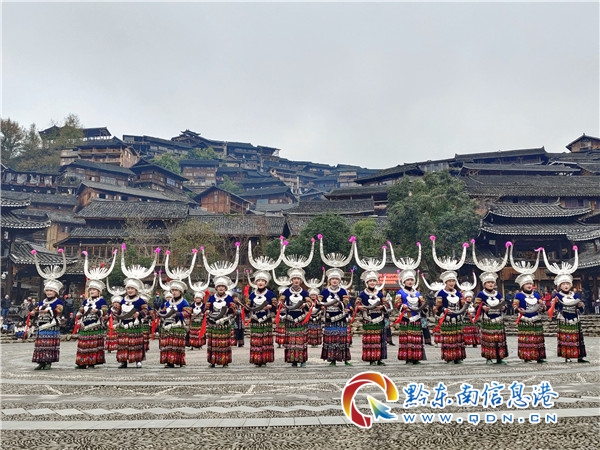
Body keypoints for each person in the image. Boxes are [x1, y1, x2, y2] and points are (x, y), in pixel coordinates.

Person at [30, 248, 67, 370]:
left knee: (49, 344)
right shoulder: (42, 301)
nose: (49, 292)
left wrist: (49, 311)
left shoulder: (58, 302)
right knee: (40, 345)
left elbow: (59, 311)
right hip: (41, 326)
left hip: (51, 326)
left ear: (55, 292)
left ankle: (48, 362)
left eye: (51, 291)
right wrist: (33, 312)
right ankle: (40, 361)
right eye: (47, 291)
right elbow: (35, 310)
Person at [319, 268, 352, 366]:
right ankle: (332, 359)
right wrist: (321, 305)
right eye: (332, 279)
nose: (334, 281)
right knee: (331, 339)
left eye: (336, 279)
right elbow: (318, 303)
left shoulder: (343, 291)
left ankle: (345, 359)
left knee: (341, 339)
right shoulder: (324, 292)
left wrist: (338, 304)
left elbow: (345, 303)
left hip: (341, 318)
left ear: (339, 280)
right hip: (329, 319)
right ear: (329, 280)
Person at [475, 272, 508, 365]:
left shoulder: (498, 294)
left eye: (492, 282)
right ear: (484, 284)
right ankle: (488, 358)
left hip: (498, 320)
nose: (491, 284)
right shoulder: (481, 294)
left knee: (499, 340)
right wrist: (482, 308)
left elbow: (504, 305)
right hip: (488, 320)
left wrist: (503, 308)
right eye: (488, 282)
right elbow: (476, 306)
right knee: (488, 340)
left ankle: (500, 358)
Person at [435, 271, 468, 364]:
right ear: (445, 282)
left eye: (453, 281)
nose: (451, 283)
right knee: (449, 339)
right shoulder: (441, 293)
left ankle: (458, 357)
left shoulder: (458, 293)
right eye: (449, 281)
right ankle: (449, 357)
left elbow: (462, 306)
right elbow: (437, 307)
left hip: (457, 319)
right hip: (447, 320)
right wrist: (444, 309)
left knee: (458, 338)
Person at [280, 268, 311, 368]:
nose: (296, 280)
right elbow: (280, 304)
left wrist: (305, 305)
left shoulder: (304, 293)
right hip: (290, 319)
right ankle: (293, 360)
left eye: (298, 278)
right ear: (291, 280)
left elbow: (310, 304)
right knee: (291, 340)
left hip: (301, 318)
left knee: (301, 340)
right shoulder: (286, 292)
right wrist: (282, 306)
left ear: (301, 280)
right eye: (294, 279)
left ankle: (302, 360)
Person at [513, 273, 547, 364]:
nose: (529, 285)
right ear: (522, 286)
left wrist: (543, 307)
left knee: (537, 339)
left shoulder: (536, 295)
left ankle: (539, 356)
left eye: (530, 284)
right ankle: (527, 356)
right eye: (527, 284)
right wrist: (518, 309)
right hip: (524, 319)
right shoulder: (519, 295)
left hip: (536, 319)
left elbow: (542, 306)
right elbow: (515, 306)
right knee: (526, 339)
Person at [74, 280, 108, 369]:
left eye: (94, 290)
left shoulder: (102, 301)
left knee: (93, 344)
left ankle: (91, 362)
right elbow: (81, 310)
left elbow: (105, 312)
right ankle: (82, 362)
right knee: (84, 344)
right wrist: (78, 314)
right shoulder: (86, 301)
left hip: (95, 326)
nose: (92, 291)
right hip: (84, 326)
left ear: (99, 291)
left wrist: (97, 311)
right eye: (90, 290)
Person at [395, 269, 426, 365]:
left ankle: (416, 358)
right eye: (408, 280)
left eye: (412, 280)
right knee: (407, 338)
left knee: (416, 338)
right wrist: (402, 306)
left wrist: (424, 306)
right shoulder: (400, 292)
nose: (410, 282)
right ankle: (408, 358)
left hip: (416, 318)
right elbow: (397, 303)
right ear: (404, 281)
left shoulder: (417, 293)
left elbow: (422, 304)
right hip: (406, 318)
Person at [245, 270, 276, 367]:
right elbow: (247, 309)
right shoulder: (252, 294)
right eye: (258, 281)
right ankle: (256, 359)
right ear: (256, 282)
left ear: (266, 283)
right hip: (255, 320)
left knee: (265, 340)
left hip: (266, 319)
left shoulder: (270, 294)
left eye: (262, 281)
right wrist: (246, 307)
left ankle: (265, 359)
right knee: (256, 340)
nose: (260, 282)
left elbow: (275, 308)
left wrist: (270, 307)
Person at [158, 281, 191, 368]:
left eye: (176, 290)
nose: (174, 292)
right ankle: (169, 362)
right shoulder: (168, 302)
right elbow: (164, 311)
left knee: (177, 344)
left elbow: (187, 312)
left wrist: (179, 314)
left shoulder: (184, 302)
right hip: (167, 326)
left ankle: (179, 360)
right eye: (172, 290)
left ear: (180, 291)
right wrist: (160, 313)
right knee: (168, 344)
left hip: (177, 325)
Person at [358, 270, 387, 366]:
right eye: (370, 281)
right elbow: (357, 305)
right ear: (366, 282)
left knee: (379, 339)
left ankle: (379, 359)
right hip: (368, 319)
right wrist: (360, 307)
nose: (372, 283)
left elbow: (386, 304)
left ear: (377, 282)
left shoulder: (380, 294)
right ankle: (371, 359)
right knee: (370, 340)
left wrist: (382, 307)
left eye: (374, 281)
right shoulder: (362, 294)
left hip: (379, 319)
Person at [206, 276, 236, 368]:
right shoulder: (211, 298)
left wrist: (226, 317)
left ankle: (224, 361)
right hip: (213, 323)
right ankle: (213, 361)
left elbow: (233, 312)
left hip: (224, 323)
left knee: (224, 343)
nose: (221, 288)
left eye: (223, 286)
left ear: (226, 288)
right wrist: (207, 312)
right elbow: (207, 309)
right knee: (214, 342)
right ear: (216, 288)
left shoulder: (229, 298)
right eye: (219, 286)